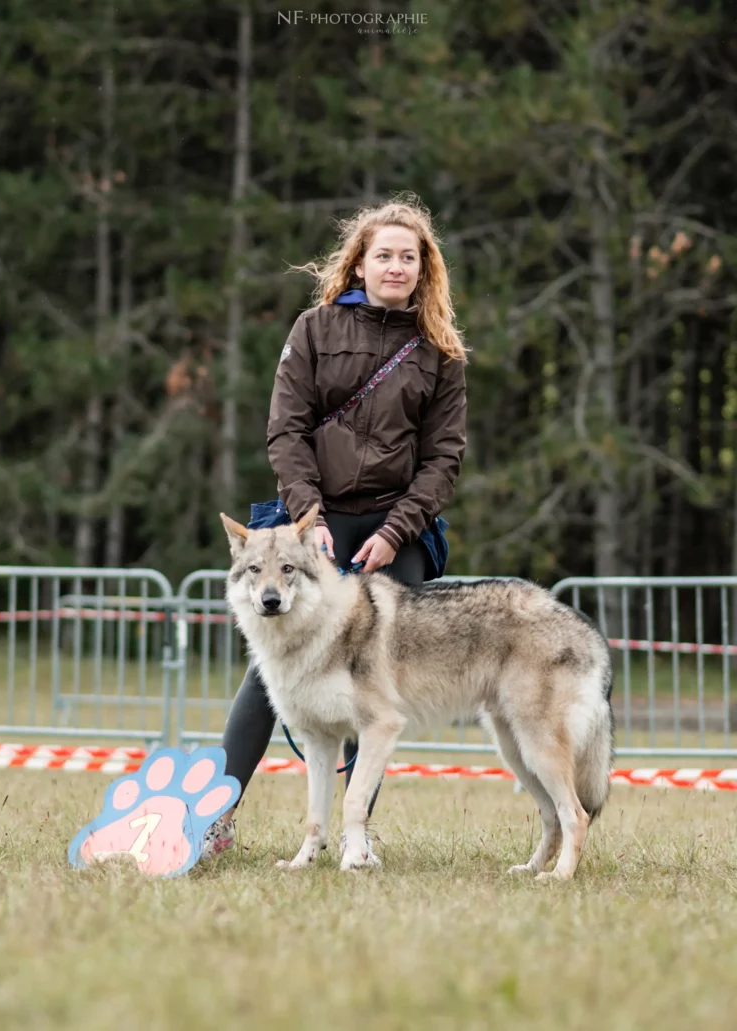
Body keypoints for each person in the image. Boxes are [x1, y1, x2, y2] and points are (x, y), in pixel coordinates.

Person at [204, 194, 468, 859]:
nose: (396, 266)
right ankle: (213, 818)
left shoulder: (440, 349)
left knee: (373, 684)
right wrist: (308, 518)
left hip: (395, 527)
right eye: (384, 255)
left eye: (408, 257)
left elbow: (444, 458)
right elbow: (285, 429)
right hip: (310, 523)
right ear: (360, 262)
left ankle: (355, 836)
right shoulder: (314, 328)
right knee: (268, 677)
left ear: (424, 268)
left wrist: (397, 531)